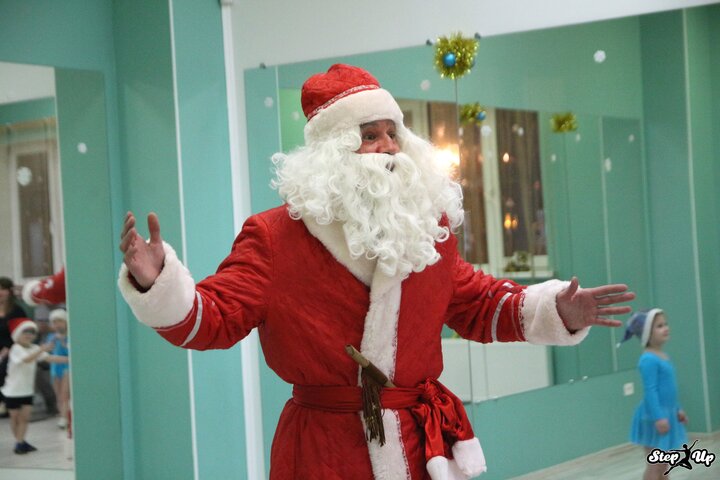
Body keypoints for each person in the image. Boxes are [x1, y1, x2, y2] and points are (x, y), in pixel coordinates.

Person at [118, 64, 635, 479]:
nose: (388, 146)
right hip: (323, 450)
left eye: (393, 133)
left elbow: (477, 303)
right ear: (332, 154)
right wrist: (157, 282)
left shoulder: (425, 229)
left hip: (418, 444)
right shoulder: (275, 236)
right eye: (370, 135)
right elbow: (214, 318)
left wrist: (556, 310)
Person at [619, 308, 688, 480]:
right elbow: (650, 390)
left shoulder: (663, 356)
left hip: (667, 413)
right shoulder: (648, 359)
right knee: (655, 465)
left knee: (664, 465)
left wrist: (678, 409)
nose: (666, 328)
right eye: (659, 326)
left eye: (665, 324)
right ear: (647, 334)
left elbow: (670, 389)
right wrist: (658, 417)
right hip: (654, 417)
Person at [1, 317, 68, 454]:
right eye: (25, 332)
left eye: (31, 333)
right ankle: (20, 442)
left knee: (24, 419)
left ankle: (20, 443)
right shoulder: (16, 348)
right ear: (18, 334)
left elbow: (50, 358)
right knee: (15, 418)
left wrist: (70, 359)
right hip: (12, 392)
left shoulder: (35, 348)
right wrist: (41, 349)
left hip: (27, 391)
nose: (28, 335)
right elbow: (26, 359)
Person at [0, 277, 29, 417]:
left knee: (4, 367)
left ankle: (5, 402)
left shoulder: (17, 311)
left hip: (14, 348)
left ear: (9, 291)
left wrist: (9, 348)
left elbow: (24, 334)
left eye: (3, 289)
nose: (0, 292)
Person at [44, 308, 70, 428]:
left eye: (60, 321)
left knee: (65, 394)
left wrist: (62, 341)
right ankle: (62, 416)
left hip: (66, 368)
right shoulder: (51, 337)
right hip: (55, 368)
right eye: (54, 322)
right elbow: (46, 354)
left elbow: (71, 354)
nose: (57, 324)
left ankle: (65, 417)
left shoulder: (70, 336)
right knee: (58, 394)